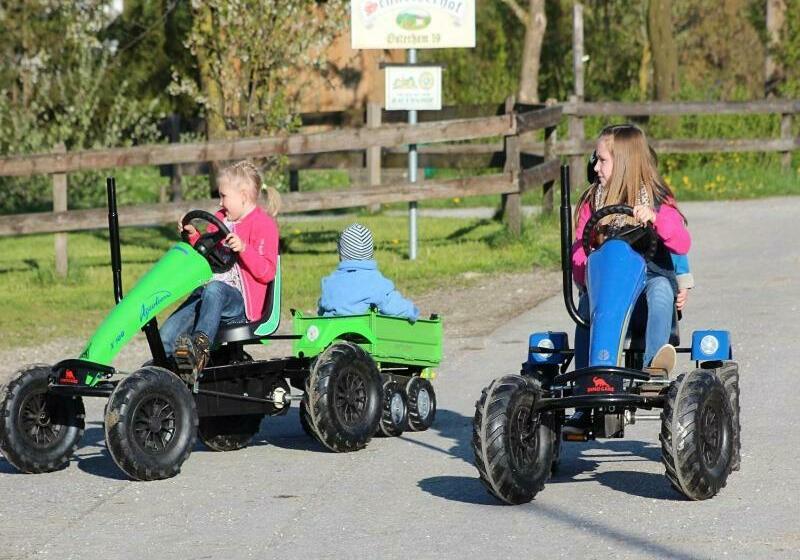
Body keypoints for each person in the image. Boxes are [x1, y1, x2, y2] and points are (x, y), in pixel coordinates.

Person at [572, 124, 691, 373]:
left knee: (661, 293)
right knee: (585, 306)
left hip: (649, 278)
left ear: (624, 162)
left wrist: (656, 220)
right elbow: (579, 247)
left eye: (602, 160)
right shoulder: (593, 201)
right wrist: (585, 273)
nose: (595, 167)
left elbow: (681, 243)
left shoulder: (657, 199)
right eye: (596, 160)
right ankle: (585, 375)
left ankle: (654, 370)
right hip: (606, 282)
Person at [160, 160, 281, 372]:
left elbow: (267, 272)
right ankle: (177, 380)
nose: (220, 202)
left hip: (240, 304)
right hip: (209, 293)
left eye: (224, 196)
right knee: (167, 337)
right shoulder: (219, 220)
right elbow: (209, 256)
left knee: (214, 290)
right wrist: (193, 236)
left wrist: (244, 249)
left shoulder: (264, 224)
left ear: (243, 196)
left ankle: (199, 353)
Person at [317, 223, 419, 321]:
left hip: (332, 328)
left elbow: (322, 306)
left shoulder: (330, 281)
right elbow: (393, 305)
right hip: (359, 330)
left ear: (341, 254)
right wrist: (411, 310)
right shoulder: (374, 281)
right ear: (370, 252)